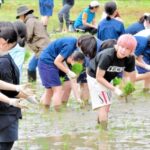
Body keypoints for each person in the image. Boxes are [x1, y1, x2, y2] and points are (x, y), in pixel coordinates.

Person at [81, 34, 137, 130]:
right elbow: (99, 77)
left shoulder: (130, 59)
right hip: (95, 77)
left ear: (131, 51)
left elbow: (127, 76)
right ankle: (104, 132)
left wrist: (125, 90)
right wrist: (115, 89)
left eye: (127, 49)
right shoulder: (107, 55)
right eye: (122, 47)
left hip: (107, 78)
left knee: (107, 106)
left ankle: (100, 126)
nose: (123, 50)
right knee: (104, 104)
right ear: (117, 45)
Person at [0, 21, 34, 150]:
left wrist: (18, 92)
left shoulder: (4, 62)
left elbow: (9, 90)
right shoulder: (6, 58)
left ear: (5, 42)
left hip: (5, 119)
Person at [16, 5, 50, 82]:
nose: (20, 19)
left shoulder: (30, 21)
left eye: (19, 17)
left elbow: (28, 36)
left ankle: (45, 85)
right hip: (42, 48)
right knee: (31, 67)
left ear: (23, 15)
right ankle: (32, 84)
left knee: (44, 69)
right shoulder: (34, 20)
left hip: (42, 49)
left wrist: (18, 39)